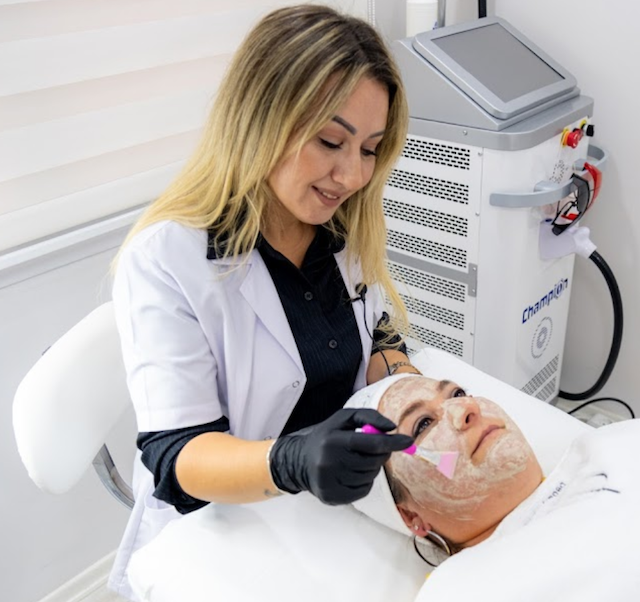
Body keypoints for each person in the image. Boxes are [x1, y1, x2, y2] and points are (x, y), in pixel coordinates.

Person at [109, 5, 422, 600]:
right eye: (330, 141)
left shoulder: (342, 225)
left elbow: (376, 329)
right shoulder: (166, 260)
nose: (352, 175)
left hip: (336, 518)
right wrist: (292, 461)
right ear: (261, 119)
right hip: (227, 527)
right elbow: (178, 456)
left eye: (370, 149)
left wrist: (409, 391)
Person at [346, 374, 640, 601]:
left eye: (457, 393)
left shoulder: (608, 444)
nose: (467, 407)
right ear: (412, 517)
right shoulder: (461, 591)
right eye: (423, 424)